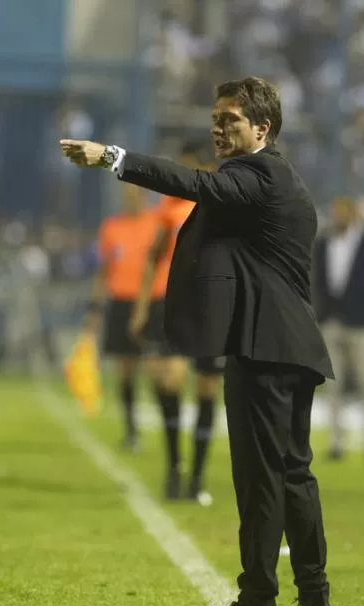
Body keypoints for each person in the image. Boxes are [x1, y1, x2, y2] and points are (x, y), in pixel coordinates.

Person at [61, 75, 336, 606]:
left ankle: (259, 600)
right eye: (215, 118)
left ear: (263, 128)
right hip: (290, 346)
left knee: (262, 477)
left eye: (230, 119)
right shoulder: (280, 180)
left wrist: (114, 157)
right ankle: (314, 597)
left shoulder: (257, 175)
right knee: (292, 474)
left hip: (266, 347)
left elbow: (194, 184)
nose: (217, 127)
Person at [129, 141, 224, 504]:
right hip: (171, 302)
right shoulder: (168, 209)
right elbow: (153, 258)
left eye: (186, 169)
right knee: (167, 380)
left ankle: (197, 478)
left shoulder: (221, 206)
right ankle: (173, 467)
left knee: (206, 390)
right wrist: (140, 307)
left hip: (212, 307)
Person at [86, 183, 167, 455]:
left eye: (134, 195)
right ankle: (131, 431)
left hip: (152, 302)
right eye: (125, 196)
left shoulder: (157, 223)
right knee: (125, 370)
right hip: (120, 302)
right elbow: (103, 269)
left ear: (144, 196)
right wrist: (95, 307)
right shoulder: (112, 227)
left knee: (156, 369)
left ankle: (167, 423)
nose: (129, 200)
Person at [312, 197, 364, 467]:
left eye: (342, 212)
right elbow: (319, 280)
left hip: (362, 322)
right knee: (333, 386)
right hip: (331, 320)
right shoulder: (323, 244)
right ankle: (336, 443)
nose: (338, 217)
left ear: (353, 214)